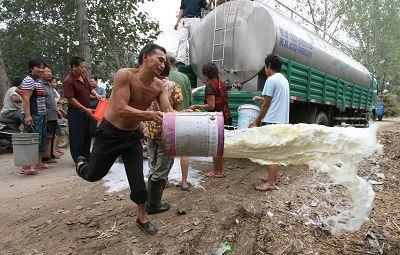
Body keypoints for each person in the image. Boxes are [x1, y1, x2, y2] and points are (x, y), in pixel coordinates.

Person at [75, 44, 175, 235]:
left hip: (132, 137)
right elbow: (121, 109)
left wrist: (186, 115)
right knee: (93, 175)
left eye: (165, 61)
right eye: (160, 59)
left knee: (137, 180)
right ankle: (81, 163)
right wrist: (149, 115)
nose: (163, 65)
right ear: (145, 56)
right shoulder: (125, 75)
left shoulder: (158, 85)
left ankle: (142, 218)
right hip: (110, 133)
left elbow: (168, 111)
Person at [143, 58, 183, 214]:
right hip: (167, 132)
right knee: (163, 166)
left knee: (153, 165)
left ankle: (148, 200)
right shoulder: (173, 87)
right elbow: (175, 113)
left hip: (149, 130)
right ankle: (154, 204)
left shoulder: (147, 85)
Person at [250, 54, 290, 191]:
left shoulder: (271, 80)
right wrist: (260, 99)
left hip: (273, 121)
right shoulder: (283, 80)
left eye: (265, 67)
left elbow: (267, 104)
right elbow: (274, 100)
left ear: (269, 66)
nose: (265, 70)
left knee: (272, 153)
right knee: (273, 151)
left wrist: (257, 121)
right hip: (281, 121)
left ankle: (270, 183)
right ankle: (270, 178)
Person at [190, 62, 232, 178]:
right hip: (226, 117)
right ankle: (220, 170)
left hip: (216, 119)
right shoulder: (222, 84)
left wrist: (196, 106)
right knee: (220, 145)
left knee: (215, 146)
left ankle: (217, 172)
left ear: (207, 74)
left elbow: (211, 106)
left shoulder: (210, 86)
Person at [63, 57, 101, 163]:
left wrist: (97, 95)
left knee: (87, 133)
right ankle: (78, 158)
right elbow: (71, 99)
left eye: (84, 67)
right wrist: (84, 109)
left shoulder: (83, 78)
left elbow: (90, 89)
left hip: (87, 112)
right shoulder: (68, 81)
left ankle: (86, 155)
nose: (84, 69)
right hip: (76, 113)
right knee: (77, 135)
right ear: (74, 67)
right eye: (82, 67)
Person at [20, 58, 50, 175]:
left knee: (41, 138)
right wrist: (27, 116)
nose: (41, 70)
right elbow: (26, 98)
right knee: (32, 140)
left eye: (42, 67)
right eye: (38, 67)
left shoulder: (38, 81)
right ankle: (26, 166)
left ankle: (38, 162)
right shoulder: (29, 80)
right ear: (31, 69)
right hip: (32, 114)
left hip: (40, 115)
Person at [167, 54, 192, 191]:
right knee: (185, 151)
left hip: (167, 119)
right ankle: (184, 182)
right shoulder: (184, 77)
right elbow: (190, 100)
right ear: (175, 63)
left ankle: (162, 180)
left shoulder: (161, 78)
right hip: (185, 117)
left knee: (166, 150)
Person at [174, 0, 208, 65]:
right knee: (182, 39)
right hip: (185, 20)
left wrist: (211, 2)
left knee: (194, 41)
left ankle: (194, 62)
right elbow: (182, 10)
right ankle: (180, 59)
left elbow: (207, 7)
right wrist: (177, 22)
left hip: (195, 20)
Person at [41, 66, 59, 163]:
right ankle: (45, 157)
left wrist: (57, 110)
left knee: (52, 135)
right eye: (47, 71)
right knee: (47, 135)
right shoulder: (40, 84)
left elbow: (51, 99)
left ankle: (50, 154)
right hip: (46, 114)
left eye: (50, 71)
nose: (49, 73)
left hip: (53, 114)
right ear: (41, 72)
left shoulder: (48, 84)